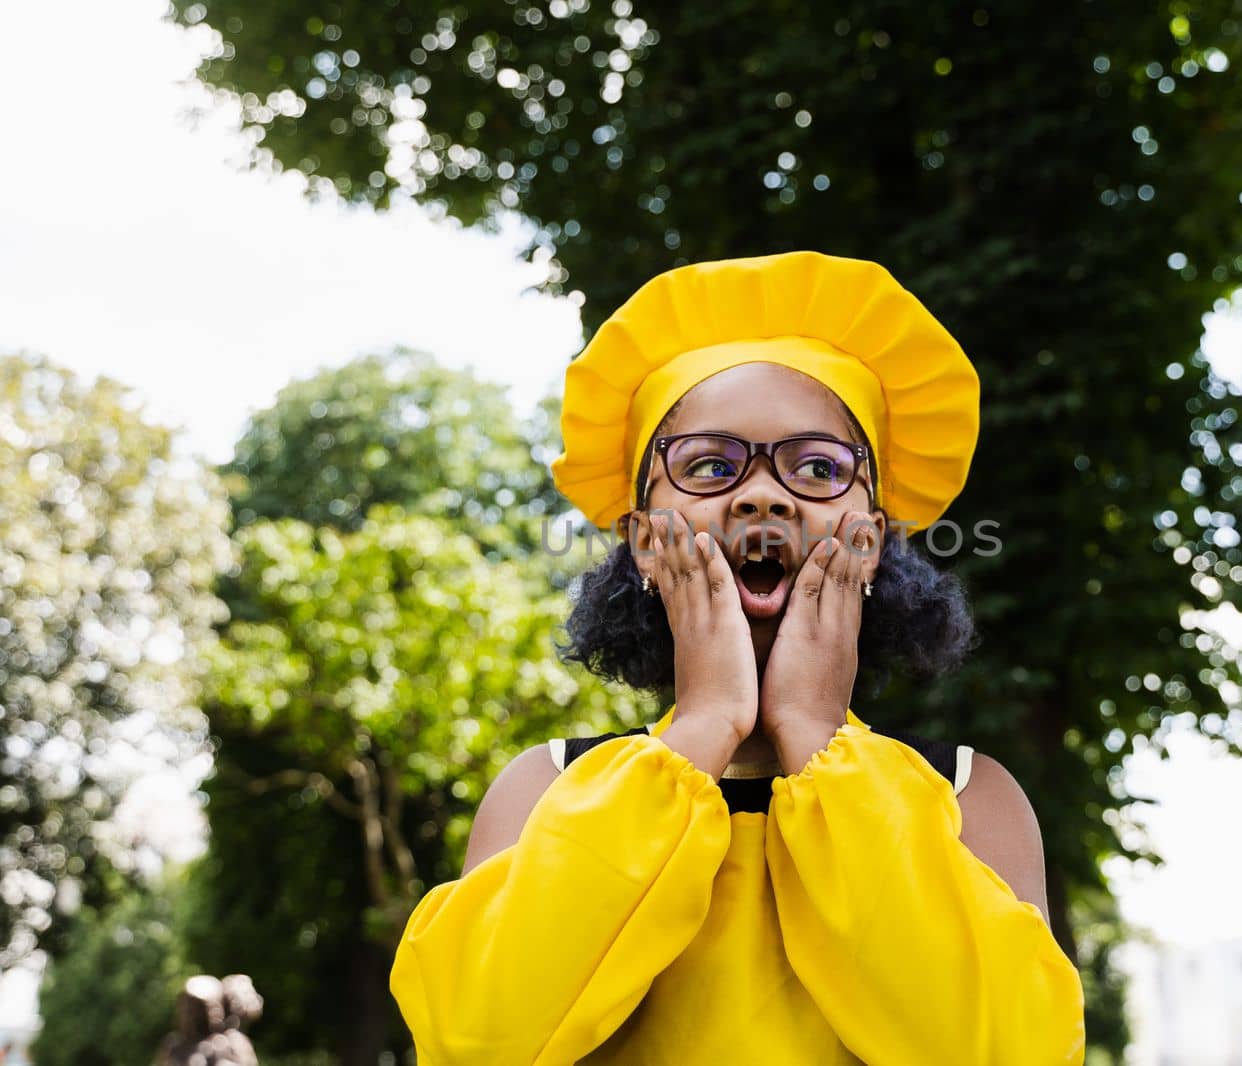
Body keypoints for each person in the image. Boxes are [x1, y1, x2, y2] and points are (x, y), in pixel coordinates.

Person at [388, 250, 1086, 1064]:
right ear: (645, 543)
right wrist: (706, 723)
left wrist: (818, 732)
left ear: (876, 538)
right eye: (710, 466)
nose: (763, 495)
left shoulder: (972, 798)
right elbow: (482, 1042)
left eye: (819, 467)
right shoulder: (546, 789)